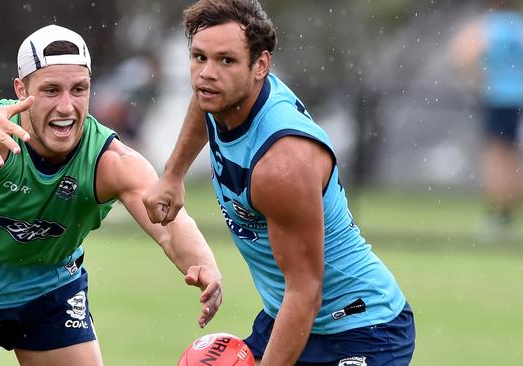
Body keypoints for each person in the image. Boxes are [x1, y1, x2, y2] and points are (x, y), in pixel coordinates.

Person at [0, 24, 222, 366]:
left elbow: (166, 219)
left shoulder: (108, 161)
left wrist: (205, 265)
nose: (66, 106)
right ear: (21, 89)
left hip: (49, 288)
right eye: (51, 90)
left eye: (79, 89)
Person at [143, 1, 415, 365]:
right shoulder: (220, 93)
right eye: (199, 57)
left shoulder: (282, 165)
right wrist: (173, 175)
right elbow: (201, 99)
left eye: (226, 60)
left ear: (261, 66)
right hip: (286, 317)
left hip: (362, 331)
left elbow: (306, 292)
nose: (207, 74)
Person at [450, 1, 523, 236]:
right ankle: (513, 214)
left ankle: (498, 214)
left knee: (496, 157)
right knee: (515, 157)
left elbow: (461, 53)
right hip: (520, 98)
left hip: (497, 98)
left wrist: (479, 78)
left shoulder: (490, 27)